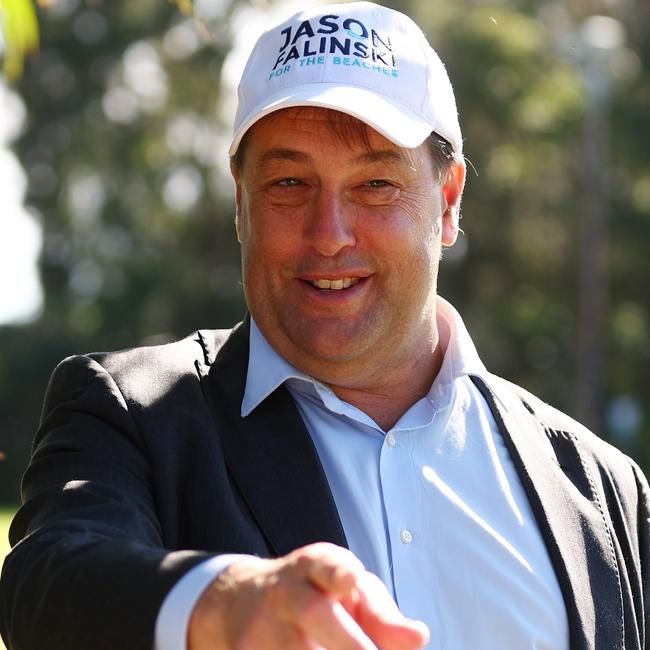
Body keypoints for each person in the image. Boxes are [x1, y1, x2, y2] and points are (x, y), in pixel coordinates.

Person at [1, 2, 648, 649]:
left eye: (374, 184)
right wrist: (220, 604)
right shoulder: (133, 414)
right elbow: (45, 583)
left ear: (448, 201)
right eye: (289, 182)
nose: (329, 234)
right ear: (241, 202)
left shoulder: (605, 488)